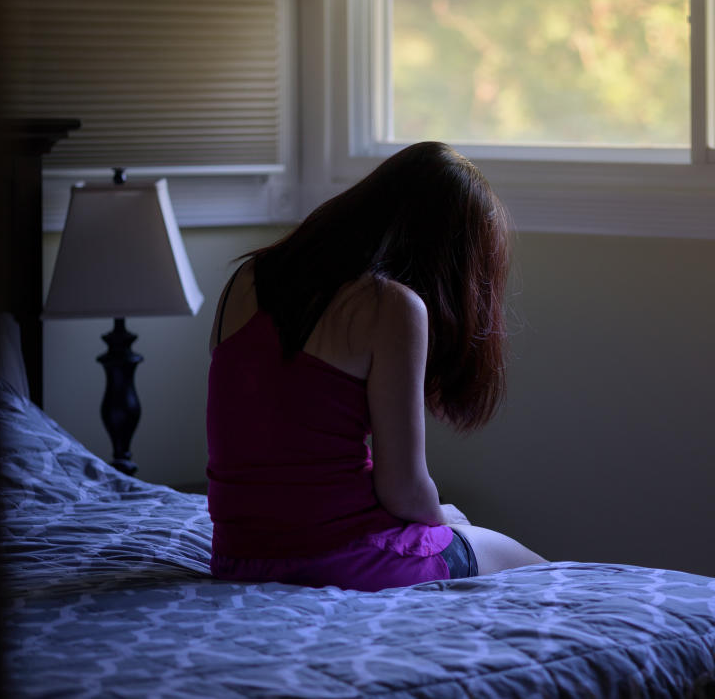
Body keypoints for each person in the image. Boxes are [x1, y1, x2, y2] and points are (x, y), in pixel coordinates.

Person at [205, 141, 545, 591]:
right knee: (539, 569)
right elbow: (402, 488)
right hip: (342, 556)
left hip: (238, 557)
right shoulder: (391, 306)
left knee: (463, 533)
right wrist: (441, 514)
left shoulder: (245, 279)